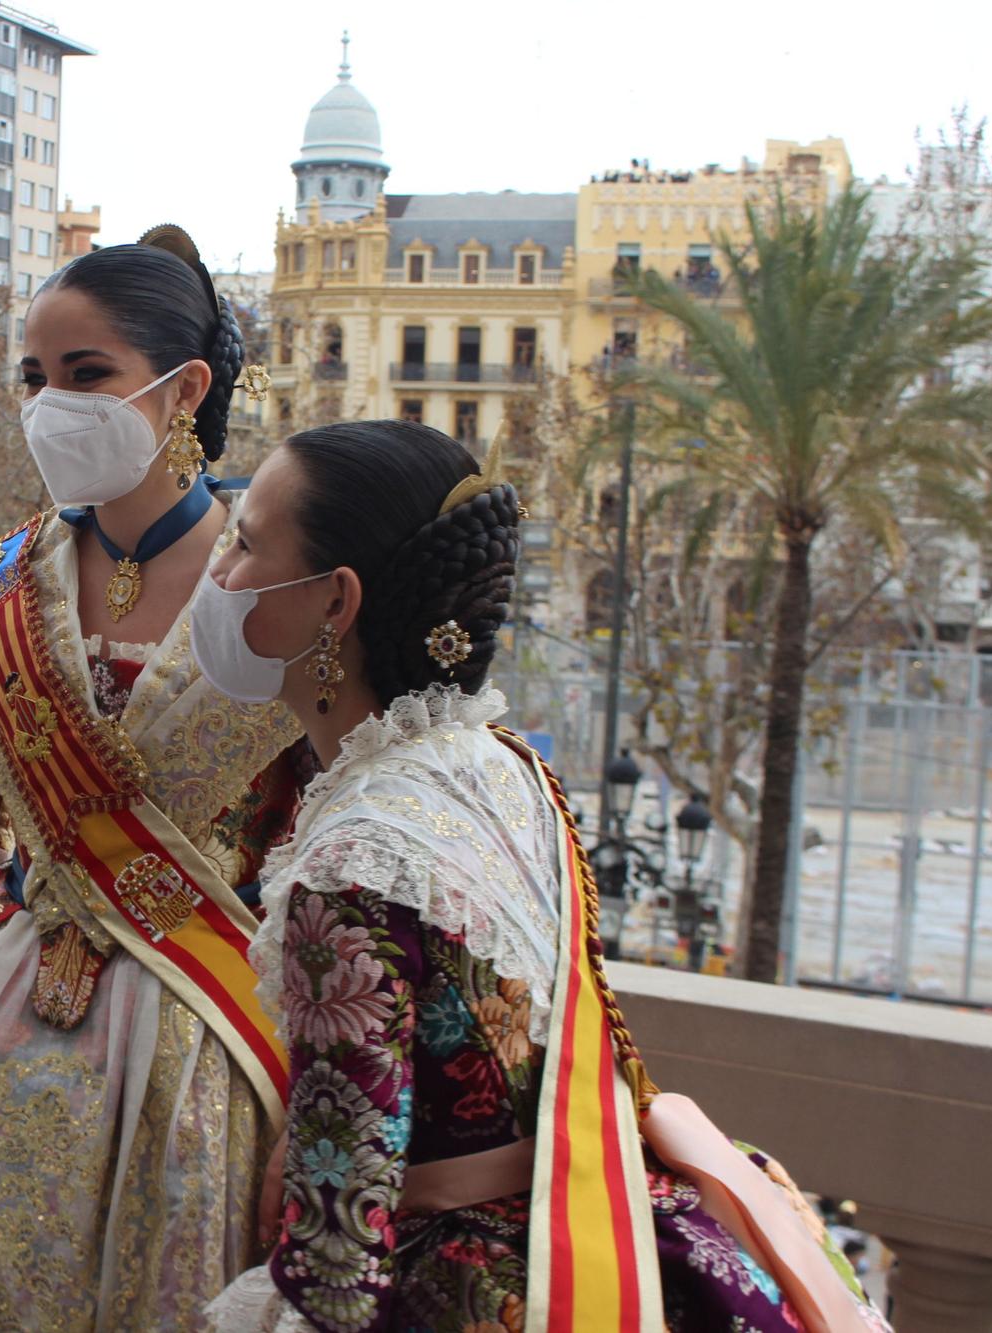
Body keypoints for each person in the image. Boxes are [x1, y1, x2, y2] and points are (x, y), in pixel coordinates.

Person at [201, 421, 888, 1333]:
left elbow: (337, 1242)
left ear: (336, 603)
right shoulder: (506, 765)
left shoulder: (351, 861)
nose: (218, 571)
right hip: (598, 1227)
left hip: (466, 1283)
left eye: (245, 542)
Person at [0, 225, 303, 1329]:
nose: (49, 403)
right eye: (34, 376)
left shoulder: (272, 587)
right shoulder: (4, 585)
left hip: (196, 1024)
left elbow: (310, 863)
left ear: (184, 390)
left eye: (87, 375)